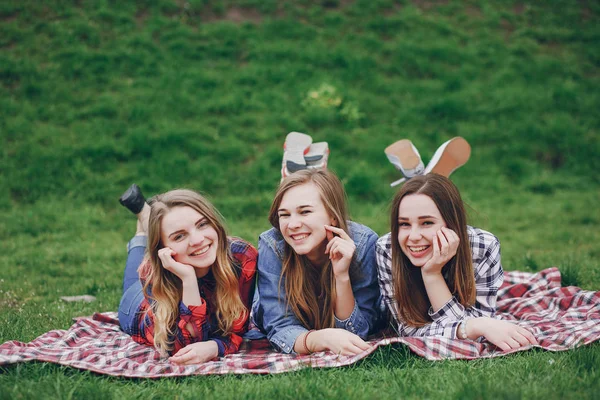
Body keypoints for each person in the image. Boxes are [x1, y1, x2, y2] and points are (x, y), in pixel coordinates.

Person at [376, 174, 538, 351]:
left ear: (452, 222)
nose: (414, 237)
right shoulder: (388, 249)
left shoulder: (482, 246)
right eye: (404, 224)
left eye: (427, 222)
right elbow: (409, 330)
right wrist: (475, 326)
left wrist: (432, 274)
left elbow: (481, 332)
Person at [117, 186, 257, 364]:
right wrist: (188, 280)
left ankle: (146, 216)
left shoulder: (241, 257)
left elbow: (237, 330)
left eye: (202, 224)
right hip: (136, 308)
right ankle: (142, 230)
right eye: (179, 236)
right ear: (163, 249)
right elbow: (183, 348)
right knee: (132, 284)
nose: (198, 240)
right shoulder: (152, 271)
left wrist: (214, 347)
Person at [252, 169, 382, 356]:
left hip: (325, 309)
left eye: (305, 211)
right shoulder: (273, 245)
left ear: (333, 216)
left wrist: (341, 276)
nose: (293, 224)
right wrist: (321, 339)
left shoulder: (362, 244)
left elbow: (357, 333)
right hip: (273, 306)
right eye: (284, 214)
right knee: (259, 313)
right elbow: (279, 327)